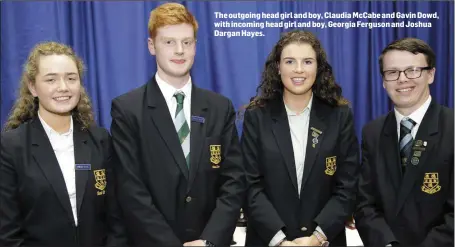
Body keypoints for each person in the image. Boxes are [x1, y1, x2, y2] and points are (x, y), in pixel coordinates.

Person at [110, 3, 245, 246]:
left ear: (195, 46)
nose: (180, 50)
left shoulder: (219, 107)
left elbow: (233, 181)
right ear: (152, 46)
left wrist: (209, 240)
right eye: (169, 42)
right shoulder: (127, 110)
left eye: (187, 42)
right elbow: (131, 191)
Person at [241, 30, 360, 247]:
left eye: (307, 61)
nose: (298, 69)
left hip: (325, 240)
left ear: (318, 67)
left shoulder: (340, 116)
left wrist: (318, 237)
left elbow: (348, 185)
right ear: (278, 67)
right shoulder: (256, 116)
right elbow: (250, 186)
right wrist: (280, 240)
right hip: (269, 240)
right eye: (289, 61)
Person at [0, 41, 126, 246]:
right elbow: (7, 234)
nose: (63, 87)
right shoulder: (10, 147)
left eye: (71, 78)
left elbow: (117, 220)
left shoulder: (100, 140)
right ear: (32, 87)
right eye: (51, 79)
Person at [354, 37, 454, 247]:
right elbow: (365, 205)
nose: (402, 79)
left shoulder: (451, 127)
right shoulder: (372, 132)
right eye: (392, 72)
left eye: (412, 70)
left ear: (431, 75)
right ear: (383, 81)